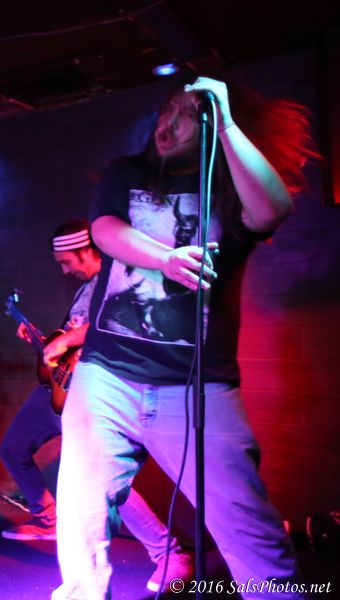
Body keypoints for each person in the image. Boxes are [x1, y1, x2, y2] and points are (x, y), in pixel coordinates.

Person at [53, 74, 318, 599]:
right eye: (165, 111)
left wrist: (227, 121)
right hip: (106, 377)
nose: (168, 125)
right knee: (81, 522)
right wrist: (166, 259)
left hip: (198, 389)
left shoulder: (230, 191)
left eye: (187, 116)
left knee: (250, 533)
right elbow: (105, 230)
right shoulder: (126, 173)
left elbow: (273, 209)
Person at [0, 218, 193, 592]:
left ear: (87, 250)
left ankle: (169, 553)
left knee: (108, 483)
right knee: (13, 448)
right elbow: (68, 344)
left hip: (95, 392)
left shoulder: (119, 278)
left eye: (66, 261)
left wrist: (67, 339)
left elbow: (120, 324)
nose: (63, 270)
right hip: (61, 389)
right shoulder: (84, 290)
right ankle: (49, 517)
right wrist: (42, 340)